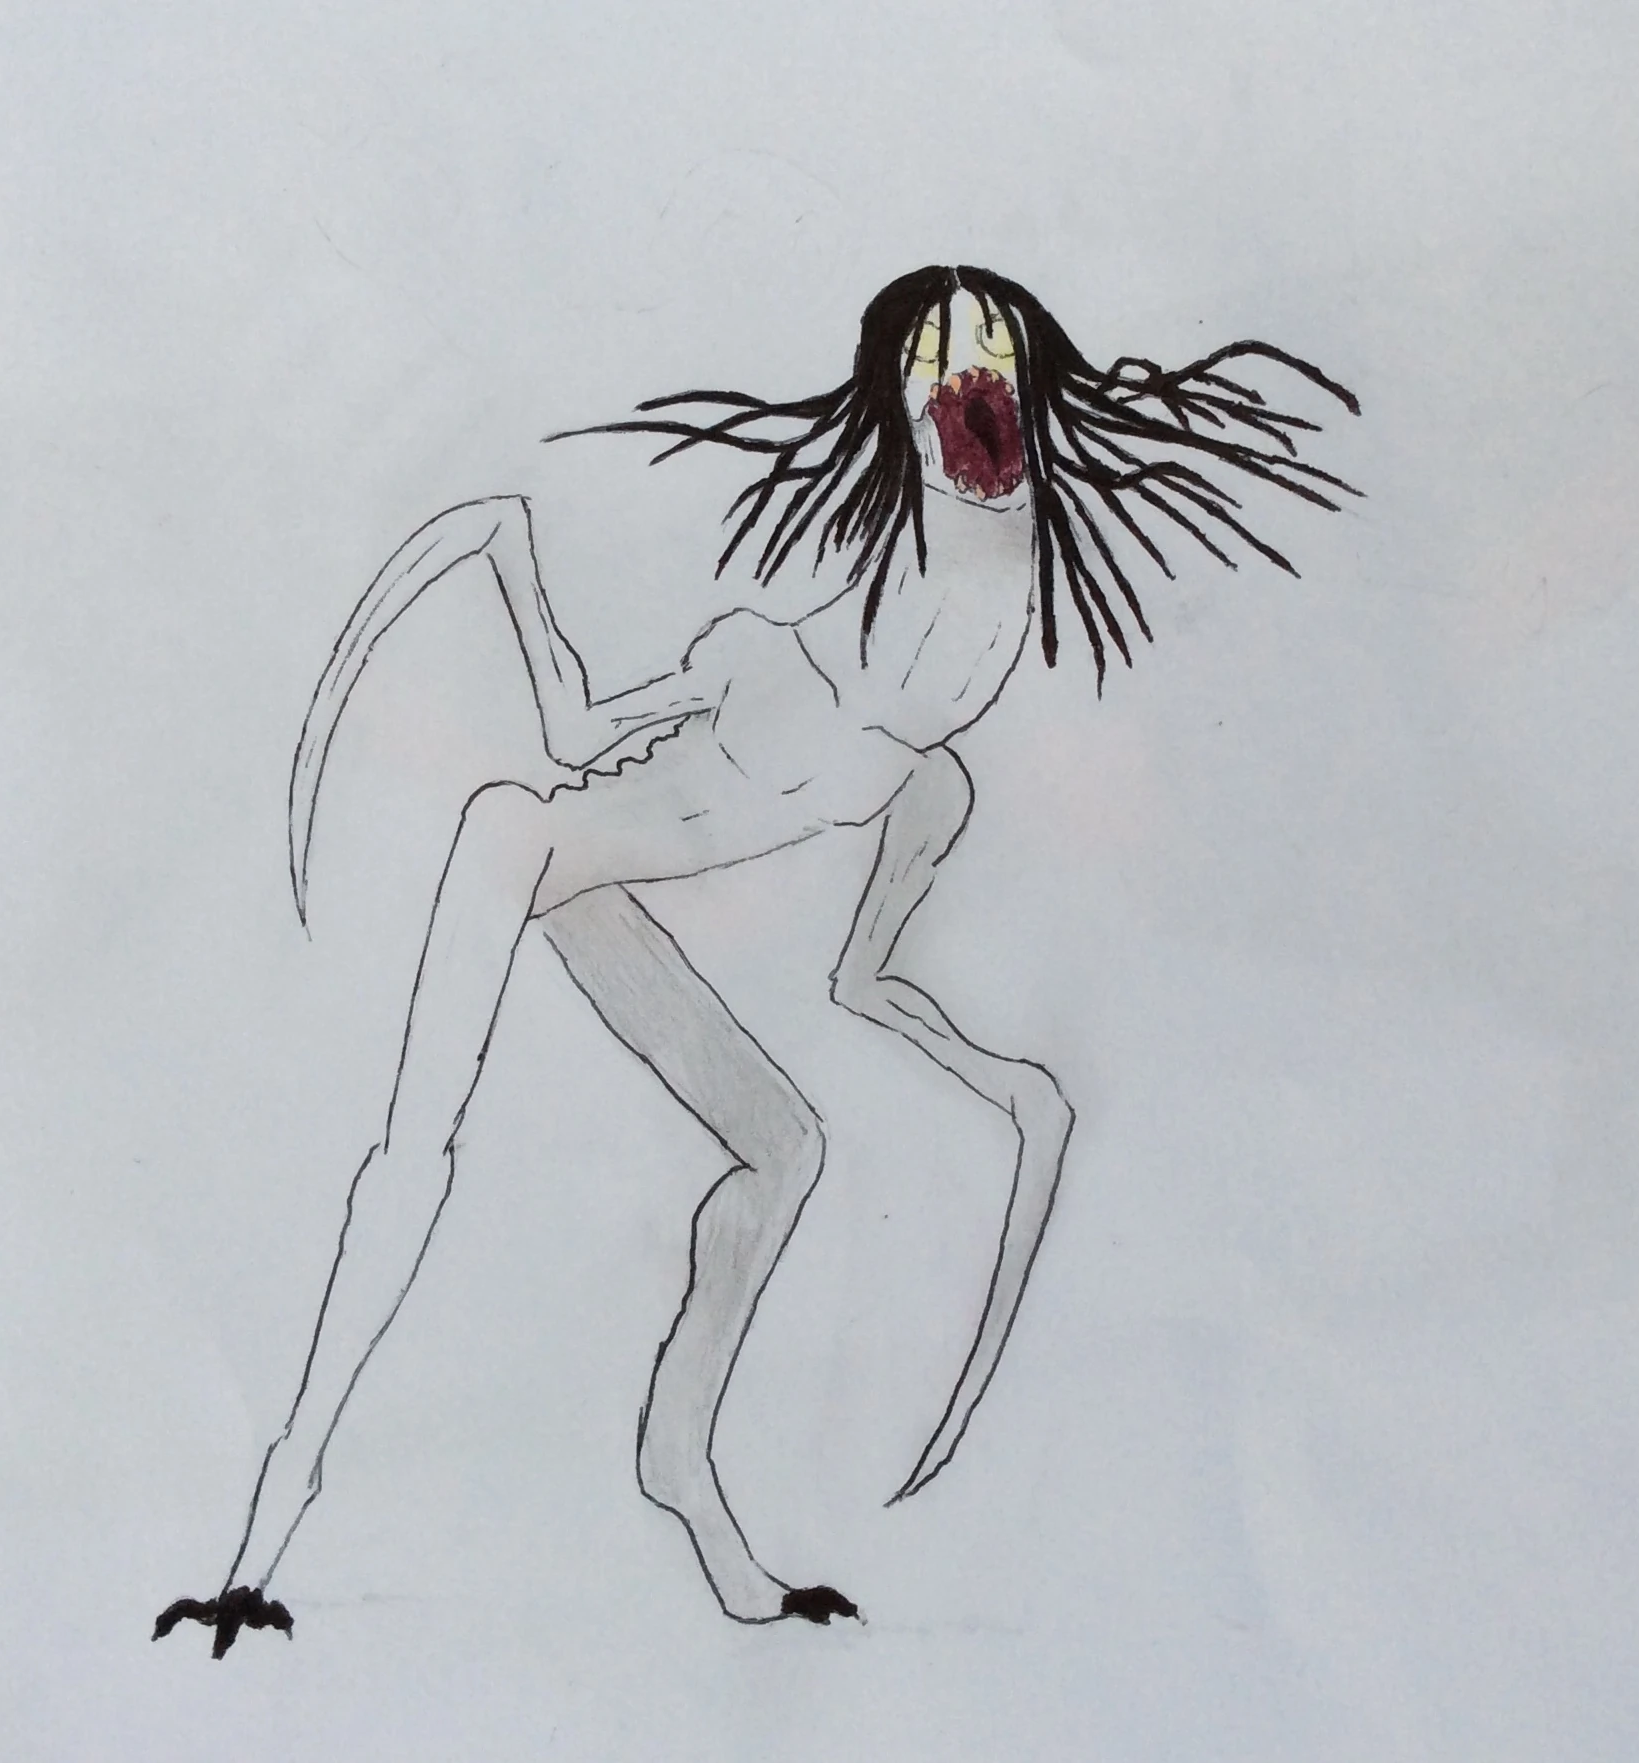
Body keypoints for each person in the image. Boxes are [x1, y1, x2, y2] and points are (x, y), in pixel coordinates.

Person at [155, 265, 1359, 1655]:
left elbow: (865, 980)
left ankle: (684, 1478)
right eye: (938, 362)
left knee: (785, 1148)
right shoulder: (777, 657)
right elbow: (575, 732)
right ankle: (261, 1542)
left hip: (598, 892)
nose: (970, 382)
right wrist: (497, 547)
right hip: (525, 846)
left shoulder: (928, 778)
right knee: (413, 1157)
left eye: (990, 356)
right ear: (900, 406)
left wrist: (1009, 1081)